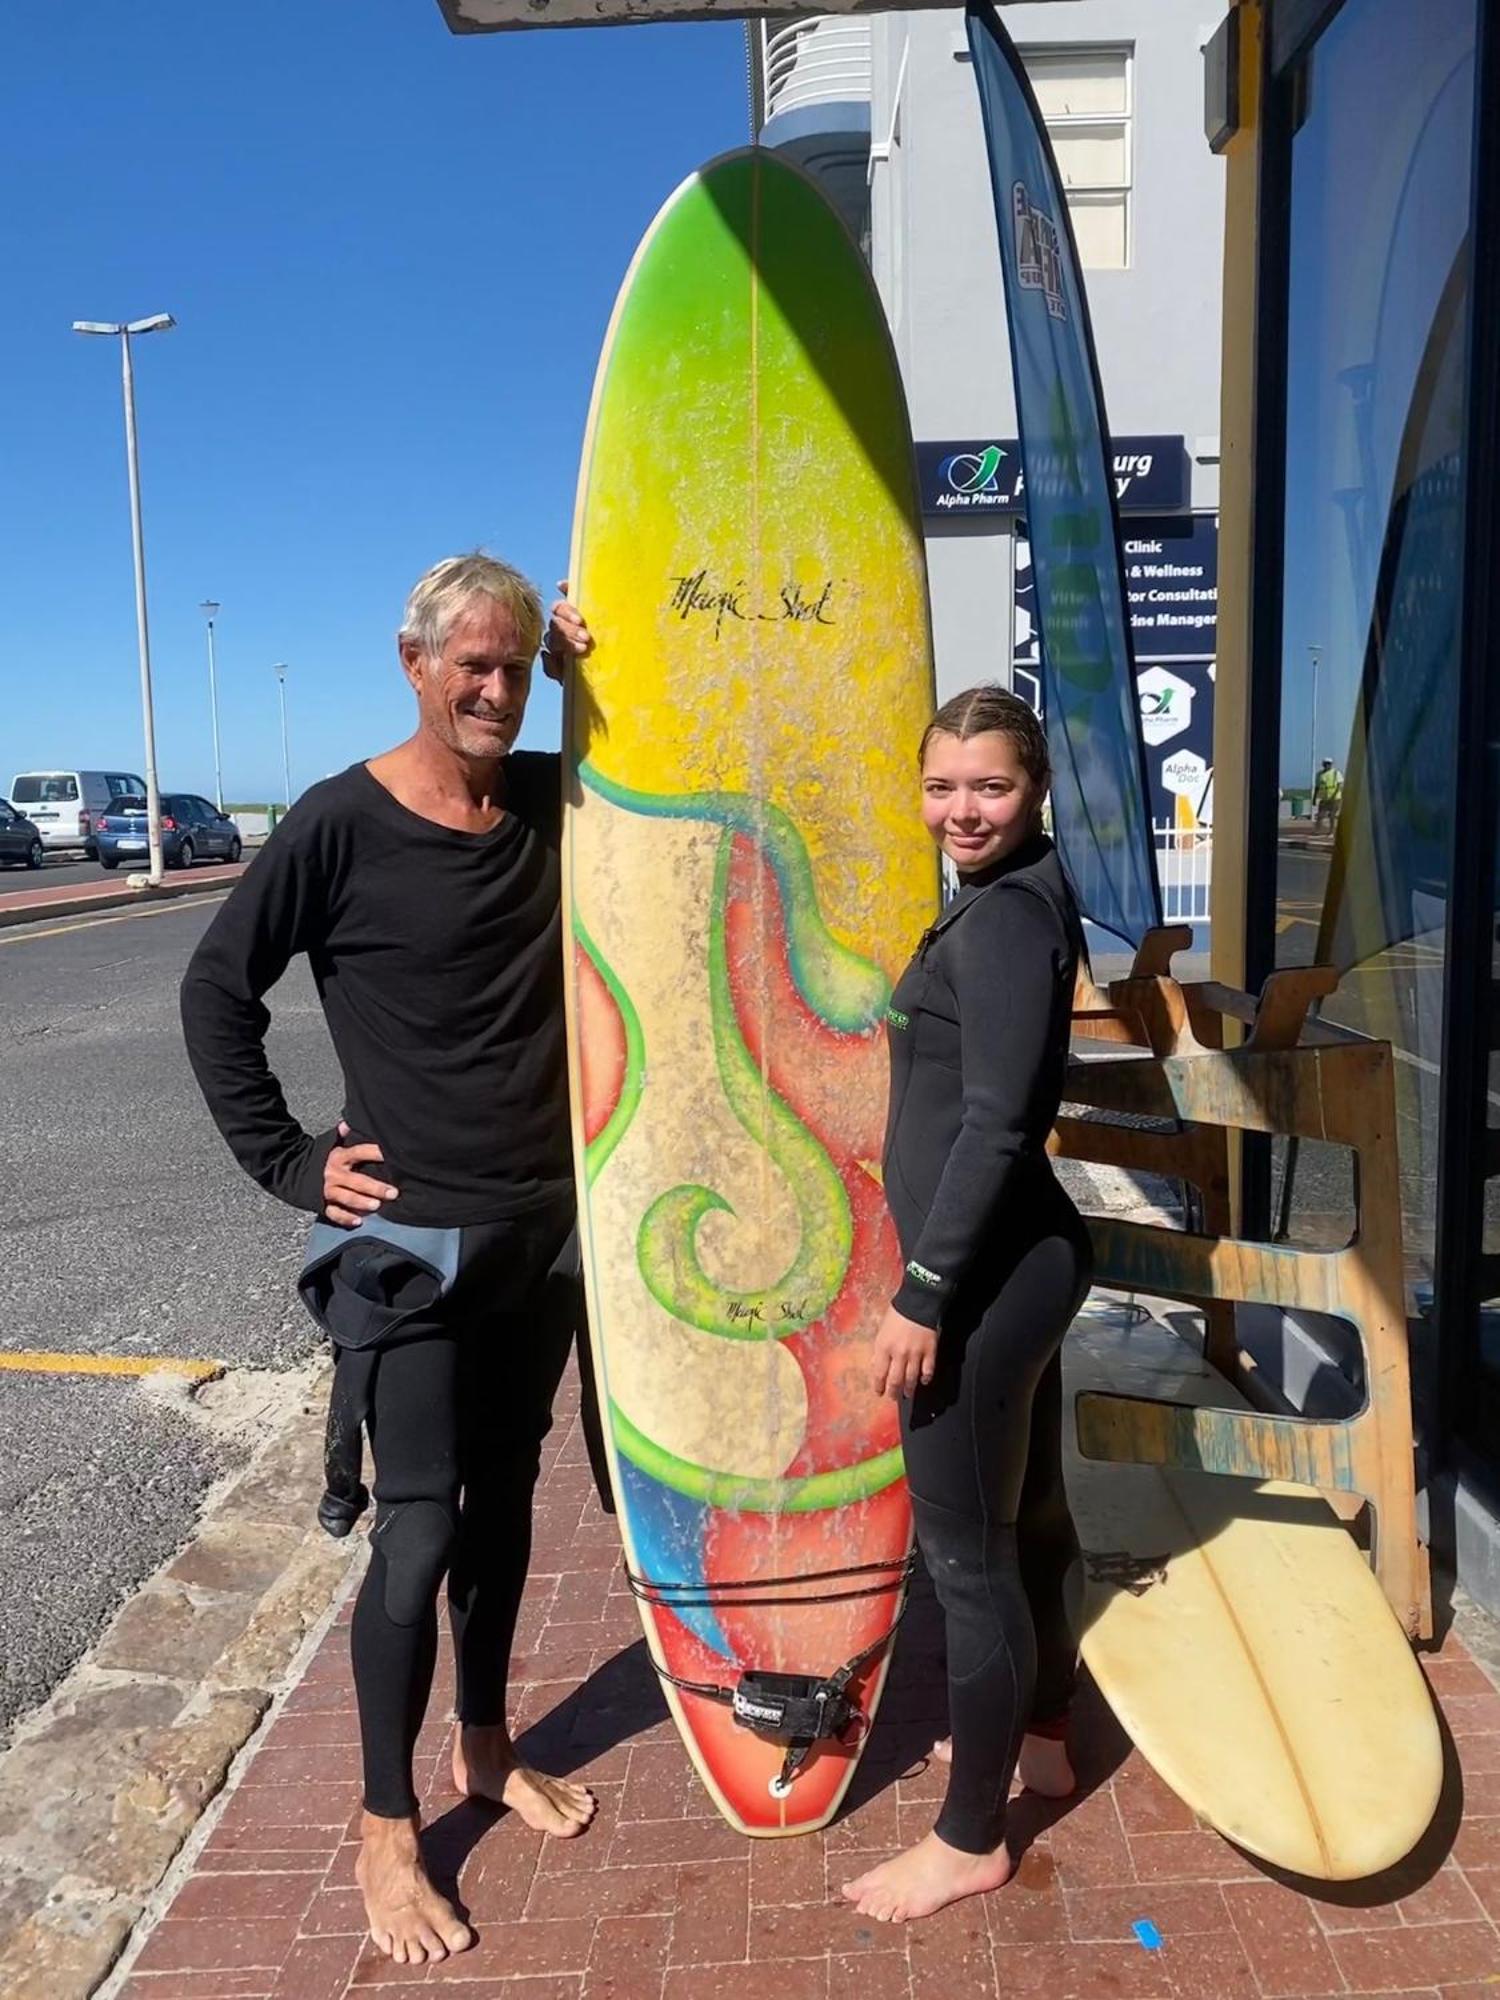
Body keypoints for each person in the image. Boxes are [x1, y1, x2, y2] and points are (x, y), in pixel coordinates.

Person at [180, 554, 596, 1968]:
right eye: (471, 663)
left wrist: (607, 680)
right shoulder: (338, 825)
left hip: (547, 1225)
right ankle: (382, 1829)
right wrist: (293, 1164)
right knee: (418, 1528)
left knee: (508, 1507)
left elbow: (671, 787)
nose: (495, 688)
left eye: (518, 666)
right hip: (410, 1244)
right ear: (414, 663)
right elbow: (214, 989)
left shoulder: (548, 797)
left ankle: (483, 1741)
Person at [842, 685, 1093, 1925]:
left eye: (988, 785)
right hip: (1022, 1256)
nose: (961, 809)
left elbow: (998, 1121)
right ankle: (1039, 1736)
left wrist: (924, 1291)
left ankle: (970, 1835)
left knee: (970, 1557)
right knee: (1031, 1512)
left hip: (983, 1278)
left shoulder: (1000, 923)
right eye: (942, 785)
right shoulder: (1015, 897)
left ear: (1033, 786)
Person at [1312, 757, 1342, 834]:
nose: (1327, 765)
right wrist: (1314, 798)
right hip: (1324, 798)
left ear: (1331, 764)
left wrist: (1333, 796)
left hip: (1335, 798)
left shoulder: (1336, 773)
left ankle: (1331, 831)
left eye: (1329, 763)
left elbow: (1339, 786)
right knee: (1320, 815)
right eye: (1325, 763)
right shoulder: (1319, 774)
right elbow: (1317, 787)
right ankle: (1317, 830)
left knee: (1332, 815)